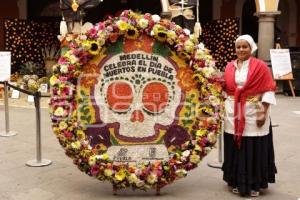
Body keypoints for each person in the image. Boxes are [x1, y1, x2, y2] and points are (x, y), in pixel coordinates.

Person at [222, 34, 277, 197]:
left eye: (244, 46)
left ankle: (254, 183)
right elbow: (225, 88)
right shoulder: (229, 66)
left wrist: (263, 113)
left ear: (251, 48)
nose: (241, 49)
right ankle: (236, 180)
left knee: (253, 147)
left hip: (254, 111)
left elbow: (268, 89)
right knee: (236, 148)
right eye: (238, 47)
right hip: (233, 112)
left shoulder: (261, 67)